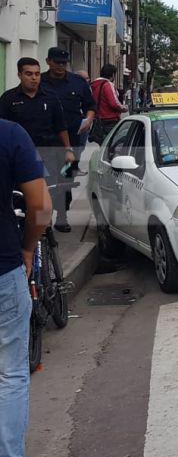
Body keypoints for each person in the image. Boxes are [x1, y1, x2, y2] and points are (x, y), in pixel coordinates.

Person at [0, 118, 52, 457]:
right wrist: (29, 248)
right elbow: (41, 206)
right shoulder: (8, 134)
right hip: (3, 269)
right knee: (10, 374)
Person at [0, 58, 75, 232]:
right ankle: (26, 224)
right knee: (22, 194)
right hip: (20, 156)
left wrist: (68, 149)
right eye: (28, 74)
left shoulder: (50, 97)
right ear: (19, 75)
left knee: (57, 188)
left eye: (36, 74)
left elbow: (61, 126)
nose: (34, 78)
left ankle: (55, 221)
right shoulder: (8, 99)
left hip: (49, 152)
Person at [40, 47, 94, 232]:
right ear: (48, 61)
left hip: (73, 142)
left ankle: (62, 216)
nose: (61, 66)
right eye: (57, 63)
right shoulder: (39, 81)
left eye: (64, 63)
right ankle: (45, 219)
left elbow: (90, 105)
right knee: (45, 181)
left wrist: (88, 119)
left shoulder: (78, 82)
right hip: (45, 141)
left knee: (65, 180)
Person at [89, 64, 127, 145]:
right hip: (110, 120)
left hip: (98, 120)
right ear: (112, 74)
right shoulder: (107, 84)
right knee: (113, 145)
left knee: (103, 145)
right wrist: (124, 108)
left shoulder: (93, 85)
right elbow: (114, 103)